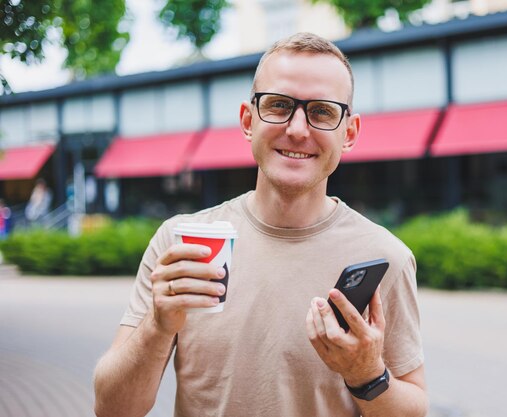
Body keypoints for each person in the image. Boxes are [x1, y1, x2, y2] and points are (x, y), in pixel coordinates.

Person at [94, 32, 428, 417]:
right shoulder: (181, 244)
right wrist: (157, 324)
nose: (298, 129)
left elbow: (414, 408)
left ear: (348, 133)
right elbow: (111, 409)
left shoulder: (386, 257)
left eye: (322, 111)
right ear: (247, 121)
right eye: (279, 105)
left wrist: (368, 374)